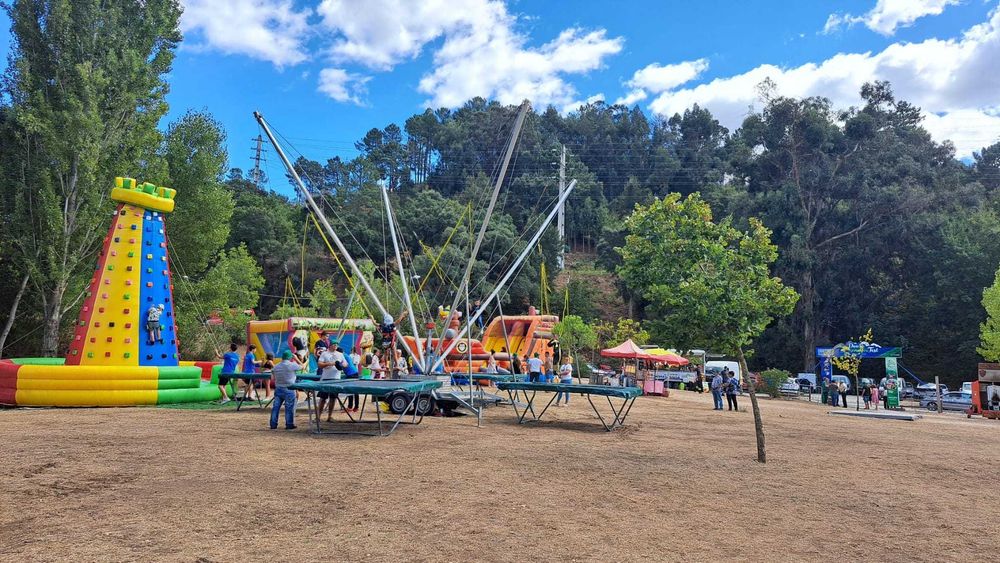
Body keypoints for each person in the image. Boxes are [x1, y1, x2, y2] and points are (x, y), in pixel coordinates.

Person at [269, 351, 302, 430]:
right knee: (289, 407)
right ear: (290, 357)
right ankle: (289, 424)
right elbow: (302, 366)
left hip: (278, 388)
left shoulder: (276, 366)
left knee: (276, 407)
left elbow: (272, 378)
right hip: (289, 388)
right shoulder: (292, 365)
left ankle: (273, 424)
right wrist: (296, 359)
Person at [316, 344, 345, 422]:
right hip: (325, 378)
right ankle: (318, 417)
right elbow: (319, 364)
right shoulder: (324, 353)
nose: (335, 346)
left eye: (337, 345)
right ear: (330, 345)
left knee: (333, 398)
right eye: (334, 344)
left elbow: (346, 364)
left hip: (336, 379)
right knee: (323, 398)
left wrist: (341, 365)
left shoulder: (340, 354)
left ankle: (330, 416)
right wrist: (329, 363)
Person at [341, 345, 360, 412]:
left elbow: (342, 366)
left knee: (351, 391)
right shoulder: (346, 355)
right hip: (355, 372)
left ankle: (350, 407)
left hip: (351, 374)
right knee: (355, 391)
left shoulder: (342, 356)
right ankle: (355, 407)